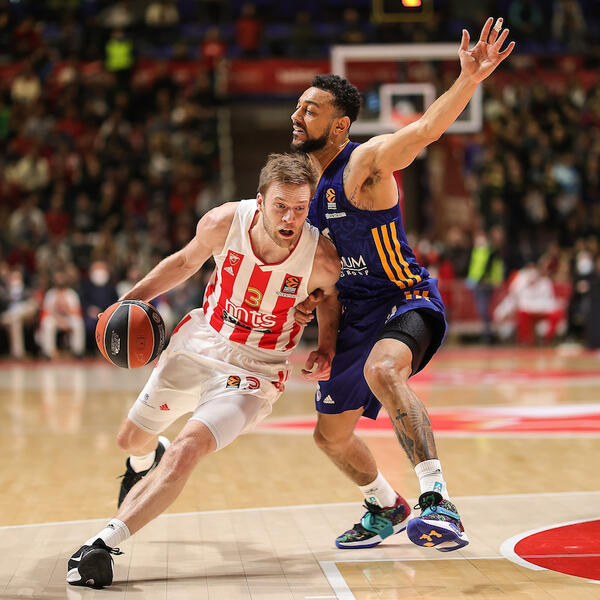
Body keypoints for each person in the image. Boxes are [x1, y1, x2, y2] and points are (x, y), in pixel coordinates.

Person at [66, 153, 341, 589]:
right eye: (280, 206)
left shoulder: (320, 258)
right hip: (201, 342)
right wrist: (128, 302)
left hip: (257, 369)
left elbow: (328, 298)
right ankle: (145, 459)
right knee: (129, 440)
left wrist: (325, 347)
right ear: (260, 201)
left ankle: (101, 544)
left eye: (300, 208)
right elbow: (183, 263)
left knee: (188, 447)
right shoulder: (223, 222)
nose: (290, 218)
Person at [291, 18, 514, 551]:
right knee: (330, 436)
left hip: (404, 298)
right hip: (354, 313)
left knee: (384, 370)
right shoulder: (301, 189)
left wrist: (469, 78)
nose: (297, 116)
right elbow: (326, 285)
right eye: (298, 107)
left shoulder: (365, 163)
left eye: (310, 110)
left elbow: (426, 130)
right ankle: (385, 505)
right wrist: (324, 340)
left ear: (340, 126)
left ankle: (438, 501)